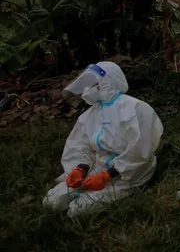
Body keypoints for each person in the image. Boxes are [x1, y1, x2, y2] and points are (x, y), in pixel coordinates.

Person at [42, 62, 164, 217]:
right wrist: (80, 168)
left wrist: (109, 175)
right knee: (52, 202)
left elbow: (139, 151)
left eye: (95, 83)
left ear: (109, 82)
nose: (90, 88)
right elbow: (79, 145)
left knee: (78, 209)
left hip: (129, 172)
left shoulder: (136, 109)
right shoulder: (90, 115)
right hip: (97, 165)